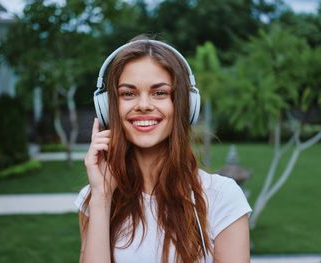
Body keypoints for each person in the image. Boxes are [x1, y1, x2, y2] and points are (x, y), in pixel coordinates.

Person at [74, 37, 252, 263]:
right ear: (109, 109)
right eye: (128, 93)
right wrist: (101, 198)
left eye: (160, 93)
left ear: (184, 105)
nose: (144, 105)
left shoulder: (221, 197)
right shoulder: (94, 199)